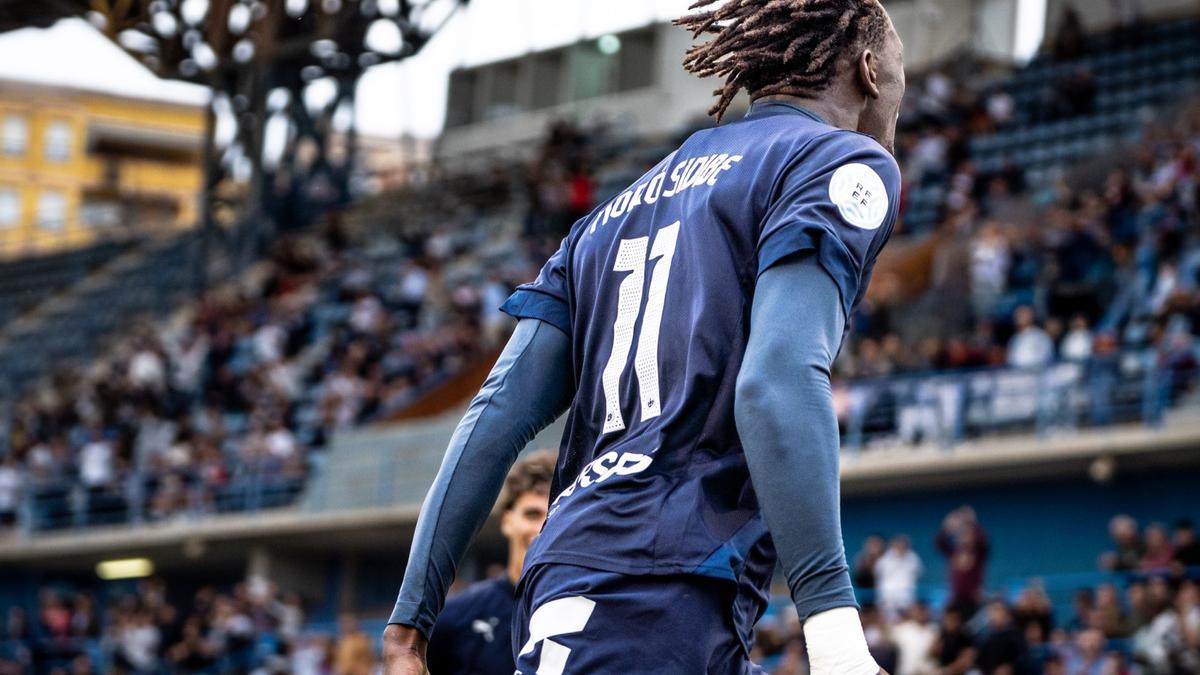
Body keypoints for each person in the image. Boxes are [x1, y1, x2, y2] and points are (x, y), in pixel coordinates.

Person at [383, 0, 907, 673]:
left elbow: (491, 419)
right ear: (868, 70)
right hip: (653, 598)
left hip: (582, 587)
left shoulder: (606, 217)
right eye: (899, 77)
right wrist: (834, 634)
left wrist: (408, 629)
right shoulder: (839, 160)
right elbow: (774, 381)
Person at [425, 452, 554, 675]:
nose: (542, 528)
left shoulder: (595, 612)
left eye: (554, 514)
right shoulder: (455, 617)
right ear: (507, 521)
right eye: (532, 514)